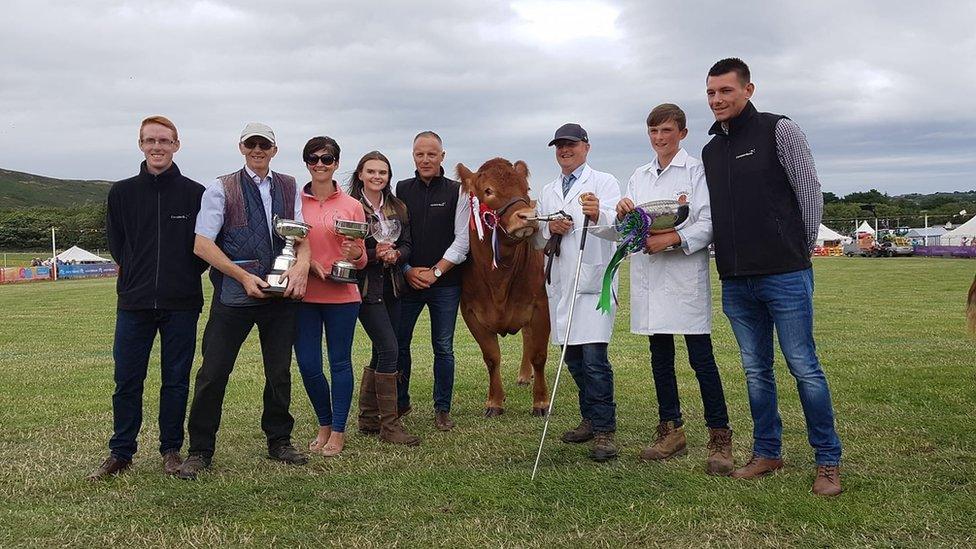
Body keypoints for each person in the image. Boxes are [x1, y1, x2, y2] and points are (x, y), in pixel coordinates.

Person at [701, 58, 843, 496]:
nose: (718, 100)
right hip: (736, 279)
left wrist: (796, 252)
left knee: (804, 367)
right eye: (711, 93)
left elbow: (808, 193)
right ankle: (767, 451)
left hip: (784, 273)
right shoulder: (711, 150)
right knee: (755, 371)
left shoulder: (780, 130)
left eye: (726, 90)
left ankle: (827, 461)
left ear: (748, 90)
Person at [179, 122, 310, 479]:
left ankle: (279, 440)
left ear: (274, 149)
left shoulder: (289, 184)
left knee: (279, 373)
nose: (258, 150)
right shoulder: (221, 188)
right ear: (241, 147)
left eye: (264, 144)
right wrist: (240, 277)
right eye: (251, 144)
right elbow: (202, 244)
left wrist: (302, 268)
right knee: (213, 373)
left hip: (279, 296)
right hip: (235, 295)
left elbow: (301, 235)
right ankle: (200, 450)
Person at [611, 104, 734, 475]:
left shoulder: (697, 171)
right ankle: (671, 430)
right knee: (660, 357)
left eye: (666, 131)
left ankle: (720, 436)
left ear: (681, 132)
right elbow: (629, 227)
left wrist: (673, 238)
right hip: (651, 276)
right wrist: (623, 213)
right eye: (653, 131)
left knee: (701, 360)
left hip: (683, 277)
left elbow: (710, 222)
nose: (659, 138)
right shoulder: (638, 175)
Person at [88, 115, 206, 480]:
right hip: (134, 303)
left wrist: (181, 277)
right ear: (141, 144)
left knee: (176, 380)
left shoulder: (195, 193)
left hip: (181, 303)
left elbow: (202, 250)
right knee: (127, 379)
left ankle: (171, 449)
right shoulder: (121, 192)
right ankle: (121, 451)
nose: (157, 146)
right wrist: (137, 278)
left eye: (164, 140)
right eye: (150, 140)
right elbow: (117, 244)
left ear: (176, 144)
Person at [533, 123, 621, 461]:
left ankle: (604, 431)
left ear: (586, 146)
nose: (564, 151)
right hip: (561, 284)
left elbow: (619, 229)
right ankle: (589, 418)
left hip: (591, 284)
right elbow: (539, 239)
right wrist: (550, 228)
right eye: (559, 146)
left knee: (595, 360)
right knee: (573, 359)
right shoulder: (549, 188)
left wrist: (599, 212)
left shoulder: (604, 182)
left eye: (571, 145)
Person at [291, 136, 368, 457]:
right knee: (308, 365)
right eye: (313, 159)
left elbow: (362, 259)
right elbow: (287, 246)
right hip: (303, 295)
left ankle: (338, 430)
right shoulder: (294, 201)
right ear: (306, 163)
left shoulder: (352, 205)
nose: (320, 164)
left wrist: (354, 253)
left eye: (327, 159)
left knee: (339, 364)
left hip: (342, 296)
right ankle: (324, 423)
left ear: (337, 163)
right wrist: (307, 266)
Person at [394, 131, 470, 431]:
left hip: (446, 284)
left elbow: (462, 240)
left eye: (431, 154)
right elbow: (396, 235)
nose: (425, 159)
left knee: (443, 347)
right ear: (413, 156)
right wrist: (408, 269)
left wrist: (436, 272)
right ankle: (400, 402)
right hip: (408, 281)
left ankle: (442, 409)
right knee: (400, 345)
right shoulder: (401, 188)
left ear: (442, 156)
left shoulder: (458, 190)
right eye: (419, 154)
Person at [348, 151, 420, 446]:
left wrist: (397, 254)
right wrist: (377, 253)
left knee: (381, 351)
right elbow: (348, 245)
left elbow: (407, 243)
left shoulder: (397, 206)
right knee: (390, 349)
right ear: (361, 174)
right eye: (372, 172)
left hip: (393, 287)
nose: (378, 177)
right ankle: (390, 426)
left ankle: (368, 416)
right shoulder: (351, 206)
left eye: (383, 172)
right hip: (366, 288)